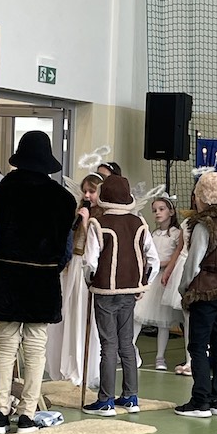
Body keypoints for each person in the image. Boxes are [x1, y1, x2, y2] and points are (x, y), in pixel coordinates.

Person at [0, 130, 77, 434]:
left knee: (5, 346)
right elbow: (66, 249)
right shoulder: (63, 199)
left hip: (8, 276)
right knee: (36, 348)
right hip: (43, 279)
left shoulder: (2, 193)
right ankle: (26, 415)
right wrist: (51, 267)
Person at [80, 174, 159, 416]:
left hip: (105, 291)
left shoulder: (98, 223)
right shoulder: (139, 223)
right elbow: (153, 260)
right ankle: (131, 397)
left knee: (108, 344)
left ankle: (105, 400)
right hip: (130, 292)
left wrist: (90, 281)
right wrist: (142, 284)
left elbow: (90, 262)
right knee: (127, 343)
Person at [175, 171, 217, 417]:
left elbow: (193, 263)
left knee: (197, 345)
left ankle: (200, 401)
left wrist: (184, 289)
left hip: (204, 289)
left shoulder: (204, 225)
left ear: (203, 196)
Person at [46, 172, 103, 387]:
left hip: (87, 270)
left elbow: (96, 247)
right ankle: (67, 363)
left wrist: (87, 222)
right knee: (67, 315)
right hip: (72, 267)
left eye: (92, 191)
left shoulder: (101, 217)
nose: (87, 195)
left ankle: (83, 368)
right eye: (85, 191)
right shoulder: (77, 213)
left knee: (82, 316)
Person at [133, 196, 181, 370]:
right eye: (154, 210)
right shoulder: (153, 233)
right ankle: (129, 348)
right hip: (151, 279)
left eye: (161, 209)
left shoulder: (176, 233)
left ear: (171, 212)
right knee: (137, 314)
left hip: (165, 280)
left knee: (163, 321)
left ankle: (160, 357)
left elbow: (176, 256)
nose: (157, 213)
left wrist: (160, 264)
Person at [161, 191, 196, 376]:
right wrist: (169, 269)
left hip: (198, 269)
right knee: (187, 318)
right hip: (183, 267)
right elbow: (180, 248)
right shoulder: (187, 222)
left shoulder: (210, 222)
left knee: (198, 319)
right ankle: (190, 360)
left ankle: (198, 359)